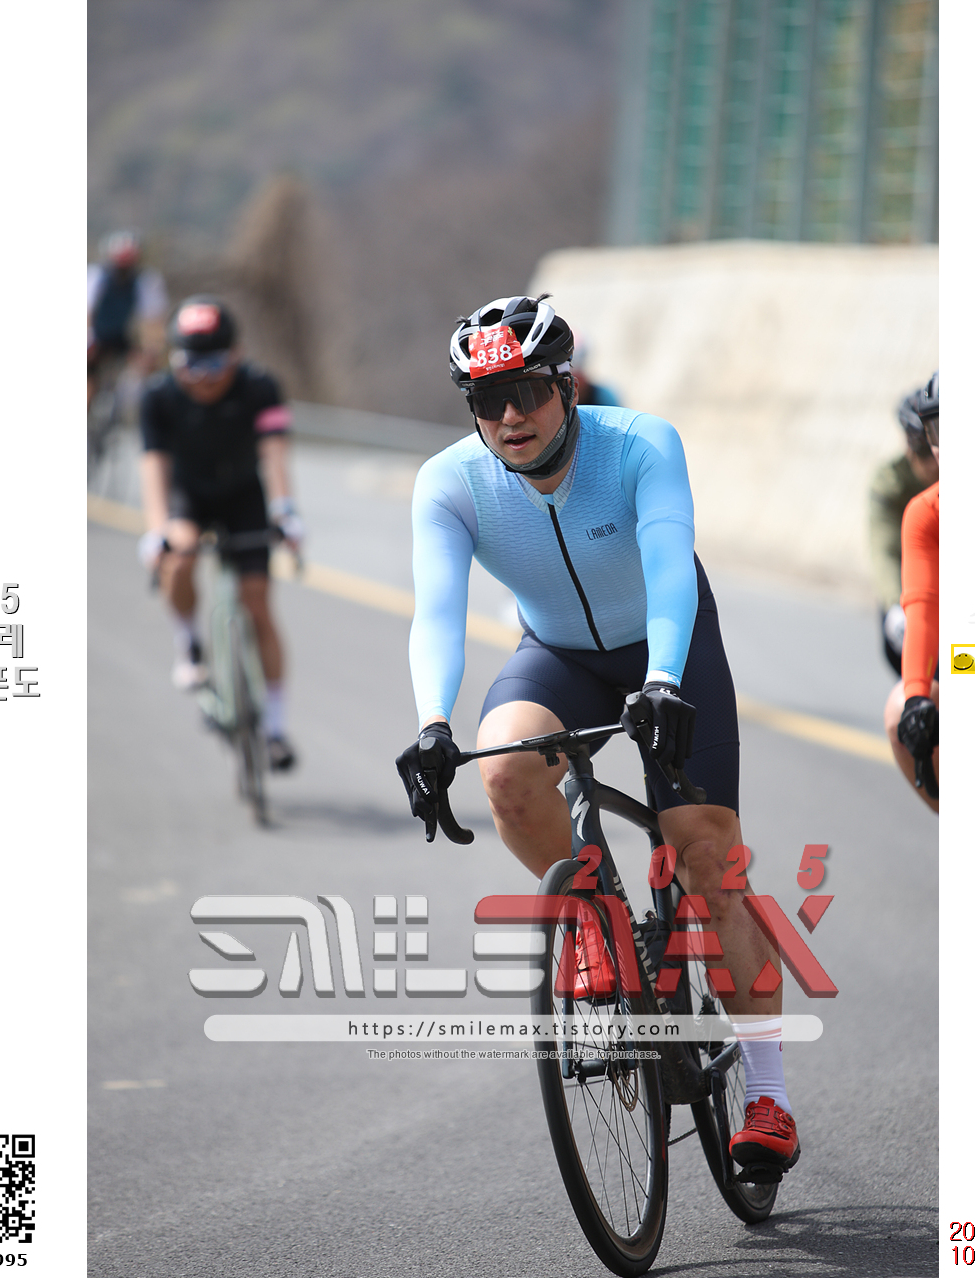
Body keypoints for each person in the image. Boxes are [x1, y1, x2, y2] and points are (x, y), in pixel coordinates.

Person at [395, 293, 801, 1177]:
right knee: (505, 773)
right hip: (559, 655)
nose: (509, 417)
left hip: (668, 647)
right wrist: (432, 724)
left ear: (566, 385)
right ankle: (594, 930)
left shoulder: (639, 444)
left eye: (526, 392)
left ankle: (767, 1095)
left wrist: (663, 679)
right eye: (487, 400)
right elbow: (438, 613)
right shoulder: (451, 483)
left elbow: (670, 566)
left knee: (706, 862)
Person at [137, 295, 304, 771]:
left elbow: (274, 454)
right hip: (189, 497)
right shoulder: (157, 396)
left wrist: (285, 512)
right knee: (180, 554)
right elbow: (154, 466)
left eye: (214, 363)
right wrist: (156, 530)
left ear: (236, 355)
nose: (203, 377)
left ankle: (275, 729)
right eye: (190, 364)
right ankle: (188, 642)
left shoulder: (260, 387)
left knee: (258, 604)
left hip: (243, 496)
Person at [883, 372, 939, 811]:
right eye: (937, 431)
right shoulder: (925, 512)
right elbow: (922, 607)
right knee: (898, 708)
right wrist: (918, 697)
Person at [868, 390, 939, 674]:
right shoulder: (891, 484)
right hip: (919, 589)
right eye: (923, 451)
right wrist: (895, 607)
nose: (933, 463)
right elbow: (884, 551)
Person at [87, 231, 169, 412]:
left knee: (148, 370)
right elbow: (87, 312)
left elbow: (153, 319)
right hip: (96, 335)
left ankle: (142, 414)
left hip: (123, 337)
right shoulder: (96, 276)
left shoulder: (145, 280)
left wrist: (151, 349)